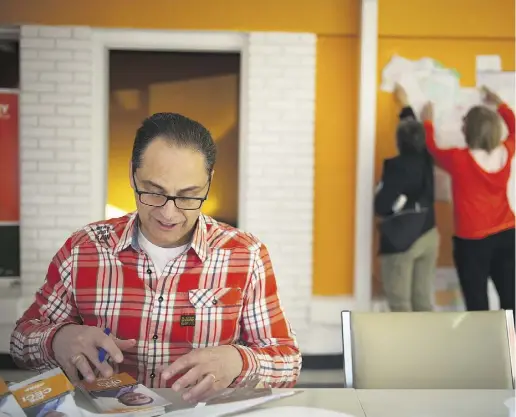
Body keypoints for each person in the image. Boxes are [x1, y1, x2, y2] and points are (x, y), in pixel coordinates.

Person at [10, 112, 301, 402]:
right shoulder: (83, 249)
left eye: (188, 196)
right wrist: (59, 339)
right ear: (132, 174)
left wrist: (237, 361)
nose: (168, 213)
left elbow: (288, 363)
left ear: (209, 181)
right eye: (153, 191)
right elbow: (21, 342)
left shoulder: (245, 255)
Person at [421, 87, 515, 312]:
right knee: (510, 298)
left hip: (473, 241)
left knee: (477, 302)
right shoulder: (505, 152)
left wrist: (427, 122)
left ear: (469, 131)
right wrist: (500, 104)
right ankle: (511, 345)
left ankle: (484, 346)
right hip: (507, 233)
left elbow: (431, 149)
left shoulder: (459, 159)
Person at [374, 84, 439, 312]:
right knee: (422, 301)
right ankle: (428, 347)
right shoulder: (427, 158)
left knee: (401, 304)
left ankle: (407, 348)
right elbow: (414, 134)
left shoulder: (396, 167)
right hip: (429, 235)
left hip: (402, 241)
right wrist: (405, 106)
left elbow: (381, 207)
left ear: (398, 142)